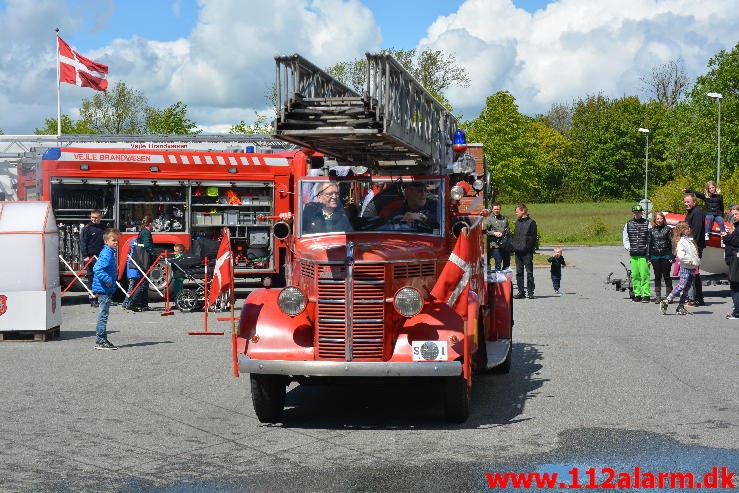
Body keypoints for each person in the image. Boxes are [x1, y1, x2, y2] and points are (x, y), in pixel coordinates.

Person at [280, 182, 352, 234]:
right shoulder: (310, 211)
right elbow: (296, 233)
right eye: (330, 194)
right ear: (319, 197)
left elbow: (354, 234)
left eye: (336, 193)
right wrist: (287, 223)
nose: (334, 197)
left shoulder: (346, 213)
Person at [660, 221, 700, 315]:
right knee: (681, 286)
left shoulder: (689, 240)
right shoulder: (681, 242)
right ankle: (666, 301)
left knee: (686, 288)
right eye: (686, 228)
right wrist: (691, 261)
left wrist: (697, 261)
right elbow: (681, 256)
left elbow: (694, 253)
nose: (689, 229)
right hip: (686, 267)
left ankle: (680, 306)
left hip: (692, 267)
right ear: (682, 230)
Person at [92, 228, 120, 349]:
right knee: (103, 315)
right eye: (113, 240)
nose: (116, 243)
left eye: (117, 240)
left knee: (104, 314)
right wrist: (108, 280)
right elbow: (97, 268)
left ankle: (101, 339)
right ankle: (101, 340)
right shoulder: (107, 253)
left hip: (104, 289)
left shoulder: (108, 251)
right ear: (106, 241)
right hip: (103, 289)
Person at [622, 204, 651, 303]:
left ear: (642, 212)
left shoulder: (647, 223)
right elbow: (625, 238)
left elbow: (650, 238)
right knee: (635, 275)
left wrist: (648, 249)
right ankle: (637, 294)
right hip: (633, 253)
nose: (637, 213)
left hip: (644, 254)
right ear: (633, 213)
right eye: (635, 212)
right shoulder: (628, 224)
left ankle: (646, 295)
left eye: (639, 212)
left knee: (644, 275)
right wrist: (629, 248)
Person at [80, 209, 107, 307]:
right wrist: (85, 256)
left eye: (96, 217)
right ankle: (93, 299)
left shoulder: (104, 228)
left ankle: (102, 298)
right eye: (92, 218)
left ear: (100, 217)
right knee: (92, 278)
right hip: (91, 257)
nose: (94, 219)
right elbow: (83, 243)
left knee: (102, 277)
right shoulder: (87, 228)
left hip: (102, 257)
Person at [683, 193, 706, 306]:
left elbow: (696, 232)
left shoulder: (697, 213)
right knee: (693, 273)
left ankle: (695, 299)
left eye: (688, 202)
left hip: (694, 247)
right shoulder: (691, 212)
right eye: (685, 202)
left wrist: (691, 248)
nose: (686, 204)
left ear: (694, 202)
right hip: (692, 246)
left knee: (693, 273)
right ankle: (698, 299)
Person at [510, 203, 537, 299]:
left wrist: (526, 248)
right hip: (518, 251)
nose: (516, 213)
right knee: (519, 272)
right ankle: (521, 292)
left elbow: (533, 238)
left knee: (529, 272)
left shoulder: (532, 223)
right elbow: (515, 236)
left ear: (523, 211)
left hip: (527, 252)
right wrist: (514, 245)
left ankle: (530, 292)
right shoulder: (518, 222)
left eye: (517, 211)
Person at [649, 211, 674, 303]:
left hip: (666, 255)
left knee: (667, 276)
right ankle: (658, 296)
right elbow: (649, 244)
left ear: (664, 219)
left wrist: (672, 256)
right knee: (657, 276)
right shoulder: (651, 230)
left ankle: (669, 296)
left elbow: (672, 243)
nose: (659, 220)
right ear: (655, 220)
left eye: (661, 218)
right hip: (655, 255)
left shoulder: (668, 229)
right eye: (658, 218)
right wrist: (648, 257)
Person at [132, 215, 156, 312]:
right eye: (153, 223)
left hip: (141, 259)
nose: (153, 225)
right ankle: (133, 302)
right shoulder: (146, 232)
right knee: (144, 282)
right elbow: (147, 245)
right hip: (145, 260)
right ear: (150, 223)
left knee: (143, 282)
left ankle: (143, 304)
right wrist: (154, 254)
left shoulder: (142, 231)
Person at [722, 205, 739, 320]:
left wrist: (727, 237)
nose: (734, 216)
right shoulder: (736, 226)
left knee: (735, 285)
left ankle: (737, 312)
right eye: (732, 214)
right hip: (733, 258)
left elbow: (737, 242)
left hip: (737, 258)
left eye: (736, 214)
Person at [484, 202, 511, 271]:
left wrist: (504, 234)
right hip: (494, 244)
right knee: (498, 261)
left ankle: (503, 278)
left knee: (506, 262)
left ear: (500, 209)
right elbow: (484, 231)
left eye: (498, 209)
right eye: (495, 209)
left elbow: (507, 229)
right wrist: (494, 233)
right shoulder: (488, 219)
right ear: (492, 209)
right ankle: (497, 277)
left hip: (503, 244)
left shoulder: (504, 219)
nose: (496, 210)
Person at [121, 237, 142, 311]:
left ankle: (128, 303)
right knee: (131, 288)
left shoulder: (132, 251)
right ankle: (126, 303)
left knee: (132, 287)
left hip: (131, 271)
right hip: (133, 271)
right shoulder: (136, 252)